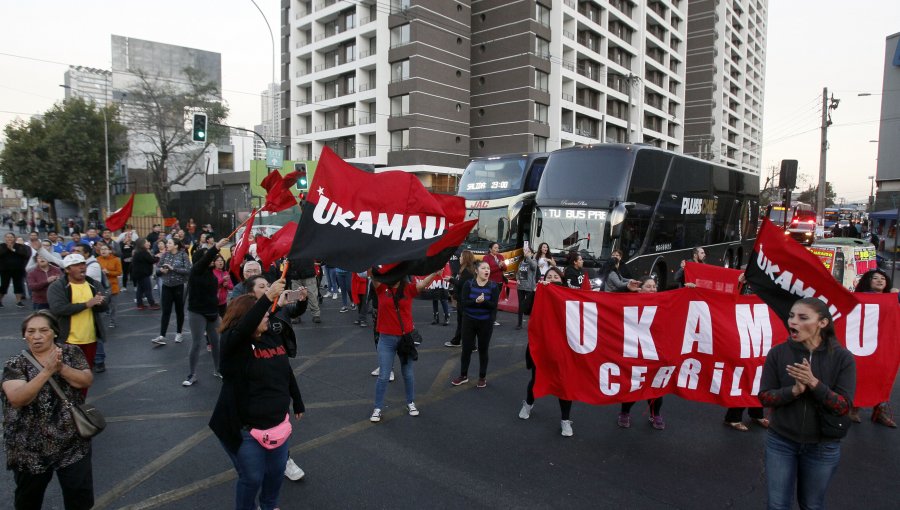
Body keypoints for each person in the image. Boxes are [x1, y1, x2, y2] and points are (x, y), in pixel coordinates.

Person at [209, 285, 305, 510]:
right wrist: (267, 297)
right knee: (252, 478)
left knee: (274, 476)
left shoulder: (270, 335)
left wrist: (297, 400)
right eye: (262, 315)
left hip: (277, 425)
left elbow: (286, 370)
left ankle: (268, 506)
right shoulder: (233, 344)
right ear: (244, 318)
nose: (267, 317)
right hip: (244, 429)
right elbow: (243, 330)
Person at [758, 297, 856, 510]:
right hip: (781, 442)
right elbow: (764, 397)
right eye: (792, 316)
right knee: (777, 505)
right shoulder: (778, 353)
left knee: (812, 505)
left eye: (803, 317)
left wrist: (814, 383)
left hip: (823, 446)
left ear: (822, 323)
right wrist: (793, 391)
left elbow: (843, 406)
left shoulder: (843, 358)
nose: (793, 322)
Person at [2, 312, 95, 509]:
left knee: (80, 497)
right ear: (24, 336)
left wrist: (60, 368)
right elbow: (18, 398)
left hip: (72, 442)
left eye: (43, 330)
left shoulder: (71, 353)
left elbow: (86, 380)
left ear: (54, 333)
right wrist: (46, 371)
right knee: (28, 500)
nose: (37, 336)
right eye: (31, 331)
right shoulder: (15, 364)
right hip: (29, 446)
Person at [369, 270, 439, 423]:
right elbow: (372, 273)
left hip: (405, 339)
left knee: (408, 373)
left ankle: (410, 402)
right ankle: (378, 408)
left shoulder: (408, 289)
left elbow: (423, 283)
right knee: (383, 376)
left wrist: (434, 273)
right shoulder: (381, 288)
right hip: (386, 339)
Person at [518, 266, 576, 437]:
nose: (551, 279)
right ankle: (528, 404)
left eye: (555, 276)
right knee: (536, 379)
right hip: (542, 347)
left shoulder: (570, 296)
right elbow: (524, 308)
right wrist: (536, 291)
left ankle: (565, 420)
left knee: (564, 383)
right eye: (548, 276)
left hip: (564, 349)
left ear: (562, 280)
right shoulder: (540, 293)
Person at [849, 268, 898, 427]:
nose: (879, 280)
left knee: (884, 375)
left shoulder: (892, 298)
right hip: (863, 342)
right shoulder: (858, 298)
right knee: (861, 373)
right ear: (867, 282)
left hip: (884, 343)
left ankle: (879, 410)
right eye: (875, 278)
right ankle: (854, 407)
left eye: (882, 278)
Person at [617, 276, 666, 430]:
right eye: (648, 286)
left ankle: (655, 414)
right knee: (633, 386)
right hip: (634, 351)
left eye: (654, 286)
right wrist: (626, 289)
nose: (652, 289)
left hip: (655, 352)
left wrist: (690, 290)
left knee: (656, 387)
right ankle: (624, 413)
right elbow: (611, 300)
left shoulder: (664, 302)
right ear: (641, 288)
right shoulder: (631, 300)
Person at [47, 254, 108, 373]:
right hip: (67, 341)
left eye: (83, 264)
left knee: (86, 374)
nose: (82, 267)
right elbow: (58, 309)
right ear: (67, 270)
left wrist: (100, 303)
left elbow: (104, 307)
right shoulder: (57, 286)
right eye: (76, 265)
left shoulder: (94, 284)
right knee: (69, 376)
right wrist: (86, 304)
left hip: (90, 339)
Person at [184, 238, 230, 386]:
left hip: (213, 312)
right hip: (197, 312)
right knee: (197, 343)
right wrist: (216, 246)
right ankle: (191, 374)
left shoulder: (212, 273)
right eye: (207, 257)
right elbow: (206, 259)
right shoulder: (196, 271)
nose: (213, 260)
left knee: (217, 342)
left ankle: (218, 369)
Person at [451, 260, 501, 388]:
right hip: (469, 321)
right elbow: (464, 302)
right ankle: (463, 376)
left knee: (483, 350)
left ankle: (482, 377)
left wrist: (483, 302)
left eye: (488, 268)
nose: (487, 271)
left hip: (485, 323)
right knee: (466, 349)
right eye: (484, 268)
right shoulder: (469, 284)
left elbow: (493, 306)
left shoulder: (493, 286)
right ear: (477, 271)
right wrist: (476, 301)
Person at [151, 239, 191, 346]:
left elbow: (188, 270)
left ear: (176, 246)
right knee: (166, 311)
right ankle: (162, 336)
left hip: (179, 286)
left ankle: (179, 333)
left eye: (169, 243)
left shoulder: (183, 255)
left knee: (179, 310)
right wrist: (161, 271)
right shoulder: (165, 255)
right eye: (167, 243)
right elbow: (157, 270)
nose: (166, 245)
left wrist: (173, 269)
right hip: (166, 286)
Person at [445, 250, 476, 347]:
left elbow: (462, 284)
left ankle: (471, 345)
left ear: (466, 258)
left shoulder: (467, 271)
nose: (460, 258)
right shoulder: (463, 269)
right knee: (461, 322)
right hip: (461, 299)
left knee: (466, 323)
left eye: (462, 256)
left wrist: (451, 279)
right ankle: (457, 341)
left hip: (465, 300)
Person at [96, 244, 122, 329]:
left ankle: (112, 321)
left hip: (113, 285)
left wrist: (108, 272)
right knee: (102, 304)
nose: (103, 251)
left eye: (105, 249)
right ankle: (98, 321)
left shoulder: (116, 259)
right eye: (101, 249)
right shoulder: (97, 260)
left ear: (110, 250)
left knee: (113, 306)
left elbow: (119, 272)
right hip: (102, 286)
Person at [1, 232, 30, 307]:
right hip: (5, 269)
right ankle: (0, 301)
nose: (9, 239)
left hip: (18, 269)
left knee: (18, 285)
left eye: (11, 237)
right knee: (4, 286)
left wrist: (13, 249)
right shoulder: (2, 246)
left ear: (15, 238)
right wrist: (8, 248)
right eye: (7, 237)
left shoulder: (20, 246)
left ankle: (19, 301)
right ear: (5, 238)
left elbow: (25, 254)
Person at [131, 239, 159, 310]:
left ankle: (139, 304)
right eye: (147, 242)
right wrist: (158, 257)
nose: (149, 243)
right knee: (147, 289)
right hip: (143, 274)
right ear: (142, 244)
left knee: (140, 289)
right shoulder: (143, 252)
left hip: (138, 274)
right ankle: (152, 304)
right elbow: (152, 260)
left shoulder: (139, 252)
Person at [515, 246, 538, 330]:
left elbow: (534, 267)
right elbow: (518, 273)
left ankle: (532, 323)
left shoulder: (534, 261)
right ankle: (519, 323)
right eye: (525, 251)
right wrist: (517, 279)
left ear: (532, 253)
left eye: (528, 251)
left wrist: (528, 257)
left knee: (529, 306)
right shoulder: (521, 262)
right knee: (521, 305)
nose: (526, 252)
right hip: (521, 286)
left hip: (529, 287)